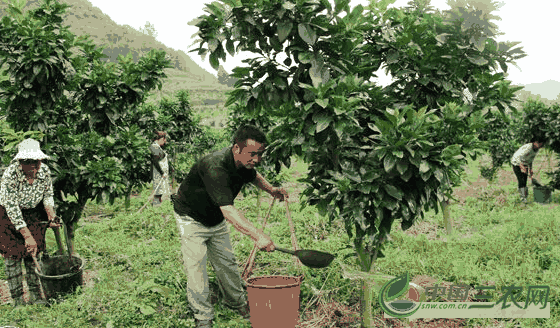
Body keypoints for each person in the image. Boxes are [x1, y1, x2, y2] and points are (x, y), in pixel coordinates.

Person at [171, 125, 288, 328]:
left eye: (260, 154)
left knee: (227, 264)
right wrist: (258, 235)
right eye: (253, 154)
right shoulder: (214, 166)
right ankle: (203, 316)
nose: (257, 160)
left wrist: (271, 190)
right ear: (236, 148)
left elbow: (254, 175)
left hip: (215, 218)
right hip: (191, 218)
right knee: (196, 268)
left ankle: (237, 303)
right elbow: (229, 210)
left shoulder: (244, 163)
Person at [0, 138, 61, 306]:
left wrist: (51, 216)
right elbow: (12, 208)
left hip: (34, 214)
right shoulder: (11, 174)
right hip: (9, 216)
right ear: (20, 162)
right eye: (28, 162)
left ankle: (36, 295)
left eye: (37, 162)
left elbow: (48, 195)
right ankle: (18, 301)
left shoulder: (45, 171)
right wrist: (27, 236)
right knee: (12, 257)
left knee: (33, 254)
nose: (34, 166)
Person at [511, 138, 546, 203]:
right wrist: (522, 167)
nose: (540, 146)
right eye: (540, 144)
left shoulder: (536, 149)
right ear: (535, 142)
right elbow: (518, 157)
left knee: (525, 180)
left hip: (525, 163)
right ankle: (523, 198)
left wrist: (530, 169)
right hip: (516, 162)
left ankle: (525, 197)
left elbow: (530, 159)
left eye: (541, 145)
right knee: (521, 179)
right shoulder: (528, 147)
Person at [149, 131, 172, 207]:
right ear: (161, 138)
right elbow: (155, 161)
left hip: (160, 174)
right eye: (164, 139)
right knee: (158, 191)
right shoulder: (154, 147)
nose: (165, 142)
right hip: (158, 174)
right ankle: (156, 207)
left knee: (160, 191)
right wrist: (162, 173)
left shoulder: (157, 147)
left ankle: (158, 208)